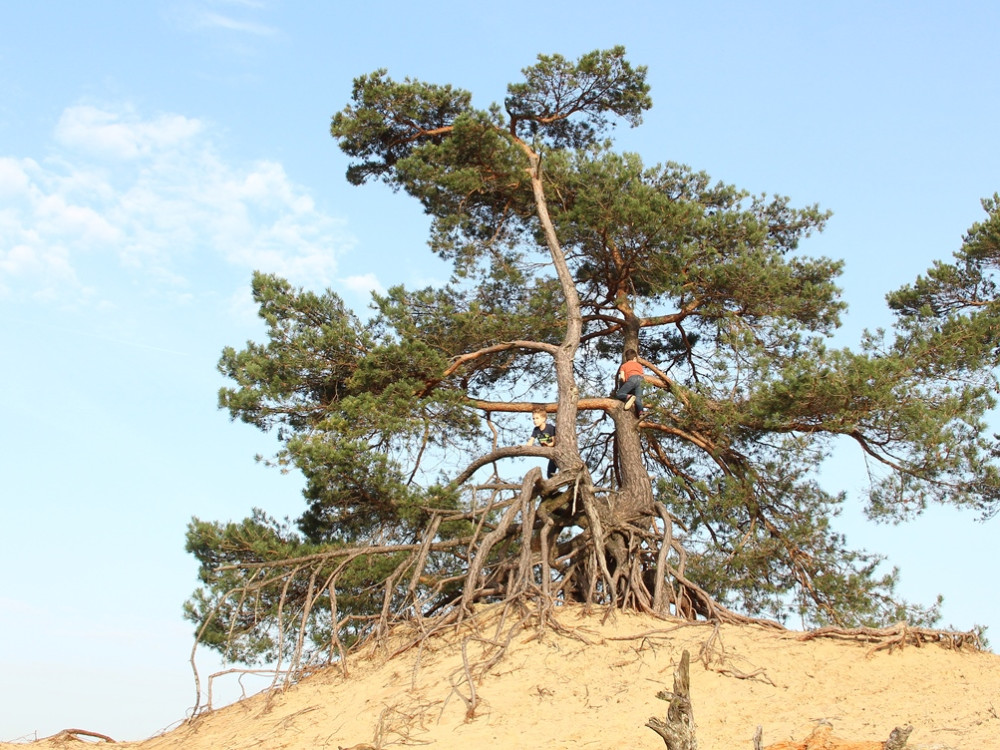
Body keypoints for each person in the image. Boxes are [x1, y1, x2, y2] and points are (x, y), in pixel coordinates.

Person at [524, 407, 557, 478]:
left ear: (544, 419)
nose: (535, 420)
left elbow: (554, 442)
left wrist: (548, 444)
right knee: (550, 475)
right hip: (550, 455)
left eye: (537, 418)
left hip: (556, 451)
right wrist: (523, 448)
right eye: (533, 418)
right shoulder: (536, 430)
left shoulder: (550, 428)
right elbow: (531, 441)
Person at [614, 348, 645, 416]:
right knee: (638, 399)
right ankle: (641, 413)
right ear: (634, 358)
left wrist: (624, 385)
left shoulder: (624, 366)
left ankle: (629, 396)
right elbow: (642, 375)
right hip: (641, 380)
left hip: (632, 379)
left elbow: (622, 378)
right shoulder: (639, 365)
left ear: (626, 358)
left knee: (619, 394)